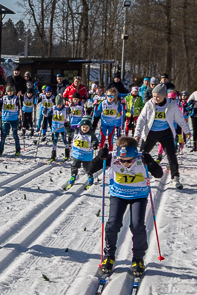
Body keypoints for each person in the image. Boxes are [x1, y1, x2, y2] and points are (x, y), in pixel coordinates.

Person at [83, 138, 162, 278]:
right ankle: (109, 256)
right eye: (122, 160)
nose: (125, 164)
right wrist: (99, 157)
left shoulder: (141, 159)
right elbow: (89, 169)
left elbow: (159, 174)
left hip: (138, 196)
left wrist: (151, 162)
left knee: (137, 225)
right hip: (118, 195)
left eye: (129, 161)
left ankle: (138, 258)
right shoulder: (112, 157)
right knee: (113, 224)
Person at [135, 85, 188, 190]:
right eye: (154, 96)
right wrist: (137, 134)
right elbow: (141, 119)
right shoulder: (149, 104)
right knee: (142, 154)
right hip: (150, 133)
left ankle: (175, 177)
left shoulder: (171, 105)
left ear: (164, 96)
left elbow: (180, 118)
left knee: (171, 155)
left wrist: (187, 131)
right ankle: (139, 175)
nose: (155, 98)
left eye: (158, 96)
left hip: (165, 133)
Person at [65, 119, 99, 189]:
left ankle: (90, 176)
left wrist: (94, 144)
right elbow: (69, 132)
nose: (85, 129)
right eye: (83, 127)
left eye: (87, 127)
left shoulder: (91, 135)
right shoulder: (76, 133)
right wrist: (67, 126)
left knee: (87, 168)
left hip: (87, 156)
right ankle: (73, 176)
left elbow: (95, 140)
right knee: (74, 166)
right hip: (77, 154)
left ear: (89, 128)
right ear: (80, 127)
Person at [0, 85, 21, 156]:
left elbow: (20, 106)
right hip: (5, 119)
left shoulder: (16, 98)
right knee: (3, 135)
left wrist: (20, 113)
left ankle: (17, 150)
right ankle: (0, 150)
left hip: (14, 119)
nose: (10, 93)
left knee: (15, 135)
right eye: (8, 91)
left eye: (11, 91)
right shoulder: (3, 98)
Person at [48, 96, 70, 162]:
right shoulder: (53, 108)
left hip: (62, 128)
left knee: (64, 140)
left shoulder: (65, 109)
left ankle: (67, 153)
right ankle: (53, 154)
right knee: (55, 140)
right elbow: (47, 115)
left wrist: (67, 123)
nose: (59, 106)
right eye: (57, 104)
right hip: (55, 128)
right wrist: (45, 112)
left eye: (60, 104)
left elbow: (70, 116)